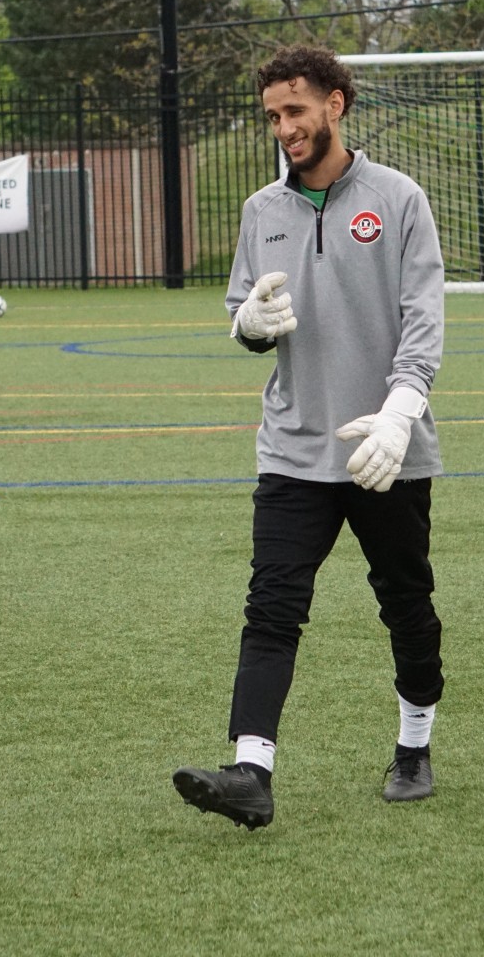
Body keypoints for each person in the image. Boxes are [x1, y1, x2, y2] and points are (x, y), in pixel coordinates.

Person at [173, 45, 446, 830]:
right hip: (293, 446)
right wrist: (249, 325)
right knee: (272, 605)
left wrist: (398, 414)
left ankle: (414, 747)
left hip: (385, 449)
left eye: (294, 110)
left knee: (405, 602)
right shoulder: (262, 211)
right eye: (272, 117)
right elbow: (244, 316)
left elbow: (423, 325)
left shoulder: (399, 200)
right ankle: (250, 772)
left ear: (336, 104)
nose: (284, 128)